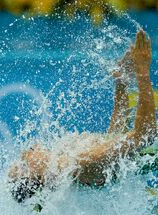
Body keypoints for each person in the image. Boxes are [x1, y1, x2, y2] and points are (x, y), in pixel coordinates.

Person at [9, 29, 156, 203]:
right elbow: (144, 135)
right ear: (39, 176)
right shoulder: (80, 163)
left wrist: (121, 84)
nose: (24, 155)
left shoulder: (68, 163)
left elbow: (115, 138)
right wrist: (142, 72)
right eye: (23, 165)